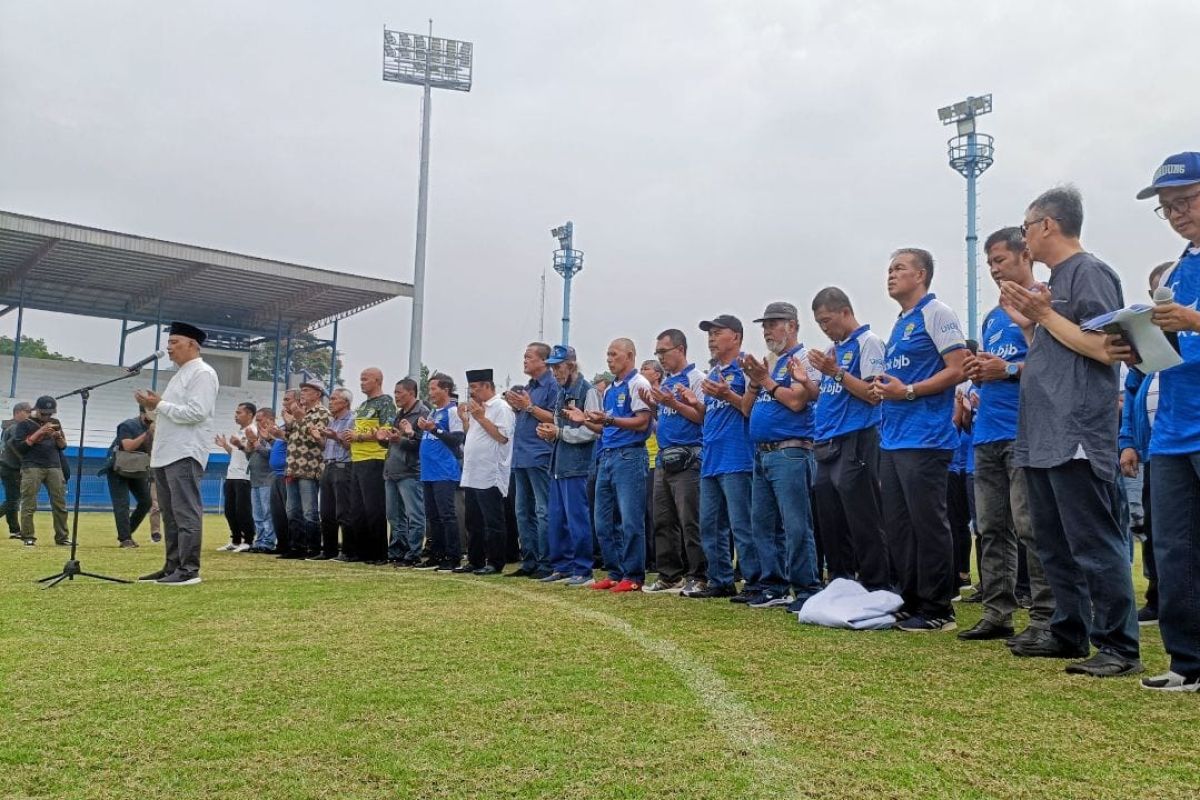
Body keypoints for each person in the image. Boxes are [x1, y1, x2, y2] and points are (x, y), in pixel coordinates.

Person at [1002, 185, 1142, 677]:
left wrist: (1044, 315)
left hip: (1076, 431)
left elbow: (1108, 347)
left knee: (1092, 541)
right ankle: (1068, 630)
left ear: (1047, 225)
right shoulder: (1056, 282)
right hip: (1043, 433)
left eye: (1026, 227)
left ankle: (1119, 644)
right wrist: (1030, 323)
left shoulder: (1089, 272)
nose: (1024, 239)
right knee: (1053, 540)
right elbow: (1061, 344)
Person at [959, 227, 1055, 644]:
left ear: (1025, 254)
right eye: (990, 263)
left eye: (1000, 260)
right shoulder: (994, 315)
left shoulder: (1045, 300)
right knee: (991, 527)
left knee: (1030, 525)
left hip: (1024, 431)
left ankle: (1047, 616)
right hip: (987, 432)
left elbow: (1058, 366)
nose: (995, 270)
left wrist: (1010, 370)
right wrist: (979, 379)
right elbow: (994, 368)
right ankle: (997, 611)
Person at [1130, 153, 1200, 691]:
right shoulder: (1177, 268)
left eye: (1185, 201)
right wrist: (1136, 348)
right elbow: (1170, 351)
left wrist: (1194, 319)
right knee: (1172, 549)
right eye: (1168, 207)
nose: (1176, 214)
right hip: (1173, 431)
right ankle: (1185, 662)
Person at [870, 248, 968, 631]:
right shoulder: (901, 322)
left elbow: (958, 369)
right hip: (893, 439)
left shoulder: (937, 313)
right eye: (889, 268)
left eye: (899, 268)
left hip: (925, 438)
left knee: (928, 523)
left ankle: (938, 607)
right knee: (899, 526)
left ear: (921, 274)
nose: (890, 275)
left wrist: (908, 390)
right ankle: (909, 601)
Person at [807, 288, 891, 593]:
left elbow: (873, 395)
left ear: (845, 312)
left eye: (827, 320)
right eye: (819, 323)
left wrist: (837, 372)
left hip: (856, 438)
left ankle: (877, 586)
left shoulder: (867, 343)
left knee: (863, 518)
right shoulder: (835, 350)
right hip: (827, 443)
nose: (824, 328)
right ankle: (841, 583)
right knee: (830, 518)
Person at [740, 301, 823, 610]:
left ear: (793, 325)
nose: (767, 330)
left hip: (791, 450)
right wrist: (753, 380)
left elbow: (797, 402)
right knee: (761, 523)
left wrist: (765, 380)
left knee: (795, 523)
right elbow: (747, 410)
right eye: (765, 324)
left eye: (774, 323)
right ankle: (773, 585)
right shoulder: (770, 363)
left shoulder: (803, 359)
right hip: (762, 452)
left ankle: (806, 588)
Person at [134, 321, 219, 585]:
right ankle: (172, 566)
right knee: (170, 514)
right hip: (165, 452)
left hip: (184, 451)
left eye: (174, 343)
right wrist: (152, 406)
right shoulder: (179, 374)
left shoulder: (202, 373)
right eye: (169, 343)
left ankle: (189, 569)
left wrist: (160, 403)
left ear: (192, 345)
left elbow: (196, 412)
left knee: (185, 512)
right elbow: (169, 412)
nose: (169, 349)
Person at [565, 339, 652, 592]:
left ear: (630, 356)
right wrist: (583, 420)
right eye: (607, 354)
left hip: (629, 456)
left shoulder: (638, 384)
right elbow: (605, 427)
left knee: (630, 519)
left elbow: (642, 422)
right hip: (607, 455)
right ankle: (614, 572)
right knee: (603, 520)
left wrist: (610, 419)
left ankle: (634, 576)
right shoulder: (611, 389)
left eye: (614, 354)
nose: (609, 359)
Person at [681, 315, 756, 600]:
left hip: (737, 456)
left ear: (735, 337)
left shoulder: (747, 366)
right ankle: (721, 579)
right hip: (711, 458)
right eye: (709, 334)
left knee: (741, 524)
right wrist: (689, 403)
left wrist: (728, 395)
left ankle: (754, 581)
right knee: (710, 524)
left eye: (717, 333)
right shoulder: (713, 373)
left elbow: (749, 409)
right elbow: (706, 416)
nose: (711, 338)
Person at [1118, 261, 1174, 626]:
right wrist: (1128, 442)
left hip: (1182, 439)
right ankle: (1158, 598)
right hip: (1156, 447)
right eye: (1154, 292)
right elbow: (1132, 388)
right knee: (1158, 528)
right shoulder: (1149, 343)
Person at [640, 330, 706, 594]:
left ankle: (699, 575)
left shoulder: (696, 379)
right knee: (663, 519)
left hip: (688, 457)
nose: (660, 358)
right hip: (664, 457)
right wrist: (656, 406)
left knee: (691, 519)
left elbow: (702, 418)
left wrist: (673, 403)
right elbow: (666, 418)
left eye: (663, 352)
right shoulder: (666, 382)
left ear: (680, 349)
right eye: (657, 353)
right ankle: (669, 574)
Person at [536, 346, 600, 585]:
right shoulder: (562, 392)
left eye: (558, 366)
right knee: (557, 518)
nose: (554, 371)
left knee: (577, 519)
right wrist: (549, 432)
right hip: (559, 463)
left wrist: (560, 432)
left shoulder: (588, 391)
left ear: (571, 365)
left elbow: (592, 431)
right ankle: (561, 566)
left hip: (578, 465)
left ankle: (583, 569)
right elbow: (557, 424)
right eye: (552, 366)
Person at [503, 343, 557, 578]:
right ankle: (530, 560)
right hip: (521, 456)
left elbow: (556, 418)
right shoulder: (529, 386)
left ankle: (546, 562)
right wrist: (518, 407)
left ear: (544, 361)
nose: (524, 360)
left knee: (543, 510)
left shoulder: (552, 386)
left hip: (539, 454)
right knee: (522, 511)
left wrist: (529, 407)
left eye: (529, 357)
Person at [458, 368, 515, 575]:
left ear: (487, 386)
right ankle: (475, 560)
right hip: (473, 472)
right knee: (473, 521)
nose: (472, 392)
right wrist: (466, 420)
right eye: (470, 388)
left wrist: (481, 417)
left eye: (475, 387)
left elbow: (502, 437)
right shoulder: (478, 408)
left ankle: (495, 561)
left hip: (490, 472)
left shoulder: (501, 407)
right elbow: (473, 435)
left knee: (493, 521)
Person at [344, 368, 394, 564]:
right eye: (360, 379)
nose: (361, 382)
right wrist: (350, 437)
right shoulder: (363, 406)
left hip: (374, 459)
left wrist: (360, 437)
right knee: (357, 509)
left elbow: (386, 431)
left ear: (377, 380)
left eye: (365, 379)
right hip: (357, 459)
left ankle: (378, 553)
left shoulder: (386, 402)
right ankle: (361, 552)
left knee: (374, 508)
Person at [415, 374, 465, 571]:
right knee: (433, 516)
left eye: (434, 388)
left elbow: (457, 439)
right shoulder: (434, 412)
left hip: (444, 470)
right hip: (428, 471)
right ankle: (436, 554)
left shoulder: (452, 412)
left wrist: (435, 430)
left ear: (446, 389)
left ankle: (453, 556)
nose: (431, 392)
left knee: (447, 515)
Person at [381, 378, 428, 566]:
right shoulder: (400, 414)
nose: (396, 396)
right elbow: (395, 441)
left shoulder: (422, 413)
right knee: (394, 516)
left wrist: (400, 439)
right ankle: (397, 551)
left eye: (399, 392)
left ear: (411, 392)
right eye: (395, 392)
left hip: (410, 472)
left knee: (414, 515)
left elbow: (419, 445)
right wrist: (383, 438)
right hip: (392, 470)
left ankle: (414, 552)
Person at [11, 395, 70, 547]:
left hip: (54, 465)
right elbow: (21, 447)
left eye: (50, 414)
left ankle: (62, 537)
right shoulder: (25, 424)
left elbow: (63, 446)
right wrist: (41, 432)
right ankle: (28, 536)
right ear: (36, 410)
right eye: (44, 413)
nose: (47, 416)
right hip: (32, 466)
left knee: (60, 503)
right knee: (29, 503)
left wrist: (57, 437)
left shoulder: (56, 423)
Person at [281, 380, 330, 559]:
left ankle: (313, 547)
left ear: (318, 394)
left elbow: (315, 439)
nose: (303, 393)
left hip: (309, 467)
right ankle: (296, 547)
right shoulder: (298, 412)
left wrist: (300, 419)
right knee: (292, 510)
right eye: (302, 390)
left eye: (307, 390)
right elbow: (291, 438)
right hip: (293, 466)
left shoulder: (323, 413)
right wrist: (287, 424)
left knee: (309, 510)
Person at [102, 405, 156, 548]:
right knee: (122, 503)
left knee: (146, 501)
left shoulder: (157, 428)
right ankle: (125, 539)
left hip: (137, 468)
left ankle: (127, 533)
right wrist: (147, 434)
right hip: (118, 468)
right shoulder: (127, 425)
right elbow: (128, 446)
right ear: (142, 413)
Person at [312, 387, 355, 561]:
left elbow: (349, 445)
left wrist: (336, 437)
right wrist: (319, 438)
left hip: (343, 466)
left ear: (345, 402)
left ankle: (347, 550)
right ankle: (328, 549)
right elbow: (325, 446)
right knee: (327, 511)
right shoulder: (332, 421)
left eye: (334, 399)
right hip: (328, 465)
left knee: (343, 511)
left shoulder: (351, 420)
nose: (330, 402)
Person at [215, 402, 256, 553]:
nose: (236, 415)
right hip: (232, 475)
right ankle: (236, 539)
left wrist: (239, 445)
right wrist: (226, 446)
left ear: (250, 414)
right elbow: (237, 455)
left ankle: (249, 540)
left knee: (242, 510)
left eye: (239, 413)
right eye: (236, 412)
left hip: (244, 476)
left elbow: (251, 453)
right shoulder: (240, 432)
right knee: (229, 510)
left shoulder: (252, 431)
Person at [639, 358, 664, 572]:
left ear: (657, 374)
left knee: (657, 513)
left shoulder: (662, 394)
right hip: (646, 459)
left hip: (658, 459)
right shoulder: (640, 396)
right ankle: (648, 558)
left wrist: (653, 408)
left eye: (646, 369)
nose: (641, 372)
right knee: (646, 512)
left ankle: (658, 559)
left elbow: (658, 426)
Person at [242, 408, 278, 553]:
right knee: (257, 514)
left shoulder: (274, 434)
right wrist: (250, 444)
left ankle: (268, 542)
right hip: (255, 479)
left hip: (267, 479)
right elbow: (250, 457)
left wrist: (256, 443)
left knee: (267, 513)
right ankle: (260, 541)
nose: (256, 423)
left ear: (269, 419)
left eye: (259, 419)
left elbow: (271, 455)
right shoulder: (259, 436)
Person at [1, 401, 31, 539]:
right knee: (13, 500)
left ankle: (14, 530)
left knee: (12, 499)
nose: (29, 414)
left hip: (6, 465)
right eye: (27, 411)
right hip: (12, 467)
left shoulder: (8, 426)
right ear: (18, 412)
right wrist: (23, 462)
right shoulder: (16, 428)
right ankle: (15, 529)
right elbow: (13, 445)